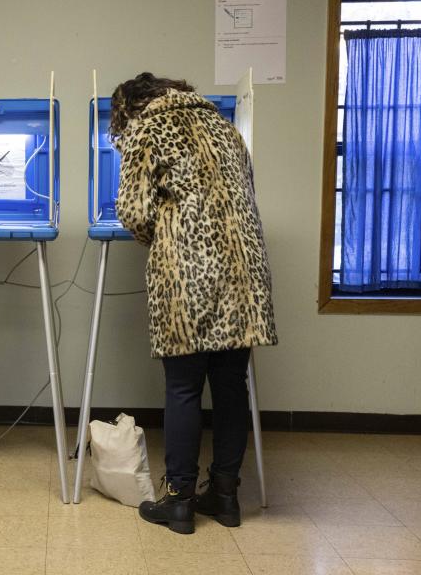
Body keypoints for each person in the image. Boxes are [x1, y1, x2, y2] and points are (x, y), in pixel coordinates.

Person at [112, 73, 278, 534]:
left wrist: (164, 238)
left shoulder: (147, 128)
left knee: (183, 387)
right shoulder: (226, 128)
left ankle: (179, 500)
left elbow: (134, 211)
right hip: (245, 271)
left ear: (130, 107)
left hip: (188, 271)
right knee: (230, 387)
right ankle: (225, 497)